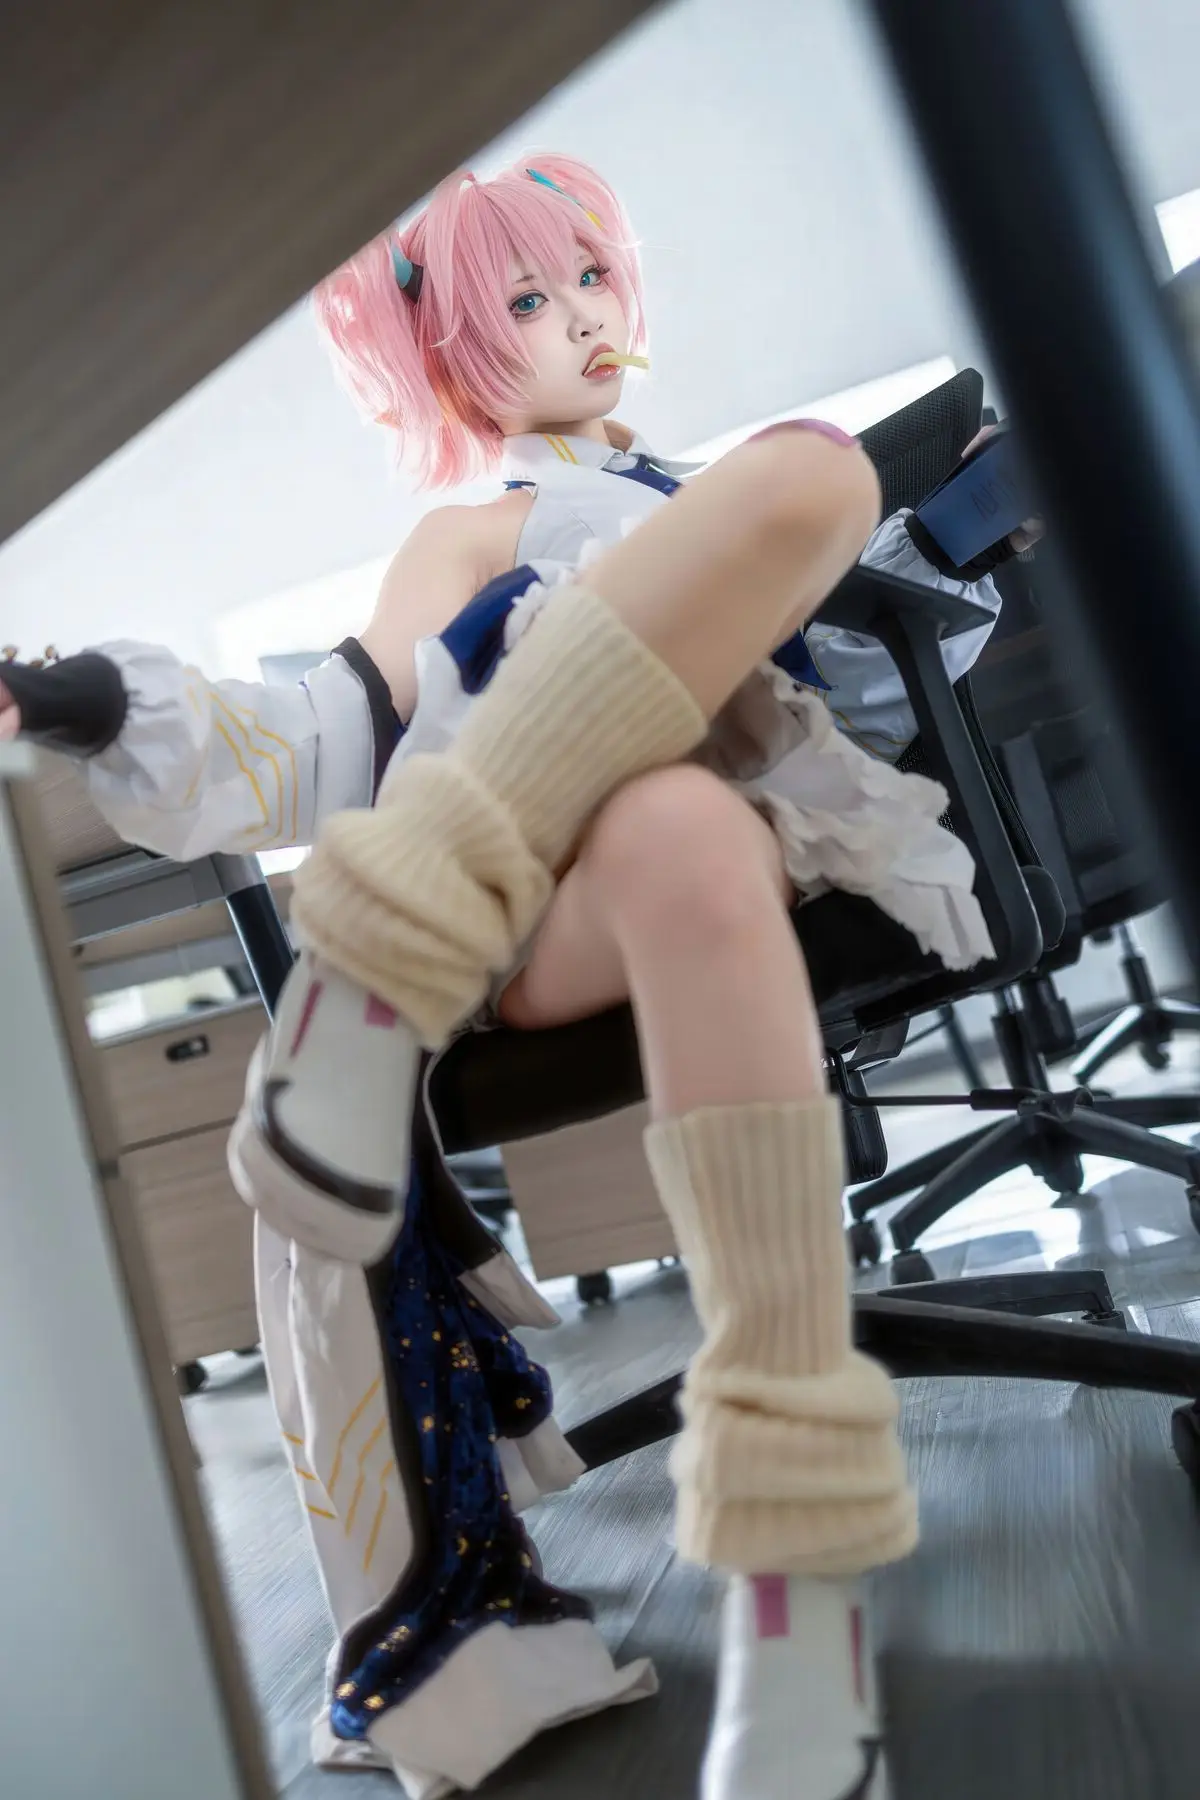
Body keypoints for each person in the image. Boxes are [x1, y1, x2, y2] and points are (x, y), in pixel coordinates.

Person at [1, 155, 1026, 1799]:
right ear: (459, 355)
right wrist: (89, 700)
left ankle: (795, 1582)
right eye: (529, 302)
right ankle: (407, 942)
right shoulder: (472, 530)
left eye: (591, 277)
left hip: (706, 846)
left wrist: (961, 542)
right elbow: (320, 740)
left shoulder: (708, 494)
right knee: (800, 495)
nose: (583, 319)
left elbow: (850, 704)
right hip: (543, 915)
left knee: (779, 563)